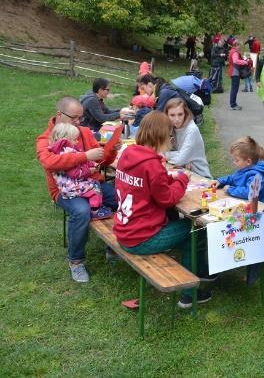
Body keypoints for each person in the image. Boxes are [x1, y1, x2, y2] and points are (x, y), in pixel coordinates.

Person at [113, 111, 214, 308]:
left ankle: (200, 273)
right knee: (197, 230)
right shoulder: (152, 164)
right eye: (170, 135)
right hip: (141, 238)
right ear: (161, 136)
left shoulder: (129, 154)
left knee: (183, 224)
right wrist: (183, 178)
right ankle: (190, 293)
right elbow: (167, 199)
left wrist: (170, 178)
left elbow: (148, 183)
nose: (171, 139)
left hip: (125, 230)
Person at [36, 96, 119, 283]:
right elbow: (49, 162)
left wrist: (112, 150)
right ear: (59, 115)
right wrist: (84, 156)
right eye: (74, 118)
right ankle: (76, 261)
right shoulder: (45, 138)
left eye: (80, 118)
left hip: (91, 184)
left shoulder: (84, 132)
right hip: (65, 191)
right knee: (81, 212)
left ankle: (114, 246)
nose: (78, 122)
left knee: (120, 199)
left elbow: (100, 161)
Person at [48, 123, 114, 220]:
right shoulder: (64, 153)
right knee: (94, 188)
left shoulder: (69, 149)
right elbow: (74, 173)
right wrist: (90, 171)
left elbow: (82, 161)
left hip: (76, 182)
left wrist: (92, 163)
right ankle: (95, 210)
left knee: (101, 188)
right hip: (70, 187)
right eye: (74, 139)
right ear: (64, 140)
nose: (76, 141)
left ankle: (98, 207)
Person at [212, 136, 264, 207]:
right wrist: (221, 181)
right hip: (244, 204)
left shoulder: (256, 176)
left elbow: (248, 192)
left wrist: (230, 189)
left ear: (248, 161)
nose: (234, 162)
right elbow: (234, 178)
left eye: (237, 160)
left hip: (256, 209)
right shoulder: (245, 168)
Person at [164, 97, 212, 178]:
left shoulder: (191, 129)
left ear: (185, 113)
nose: (177, 119)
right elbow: (161, 149)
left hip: (199, 175)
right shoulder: (169, 126)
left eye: (180, 114)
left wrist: (165, 155)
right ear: (166, 115)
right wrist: (181, 156)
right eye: (172, 115)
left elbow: (180, 160)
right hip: (181, 170)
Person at [228, 39, 247, 110]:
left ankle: (233, 104)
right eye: (238, 45)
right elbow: (236, 61)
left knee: (234, 88)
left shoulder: (232, 51)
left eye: (239, 45)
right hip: (235, 72)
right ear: (235, 45)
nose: (239, 47)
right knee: (234, 89)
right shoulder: (235, 52)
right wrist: (244, 62)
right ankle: (233, 105)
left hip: (233, 71)